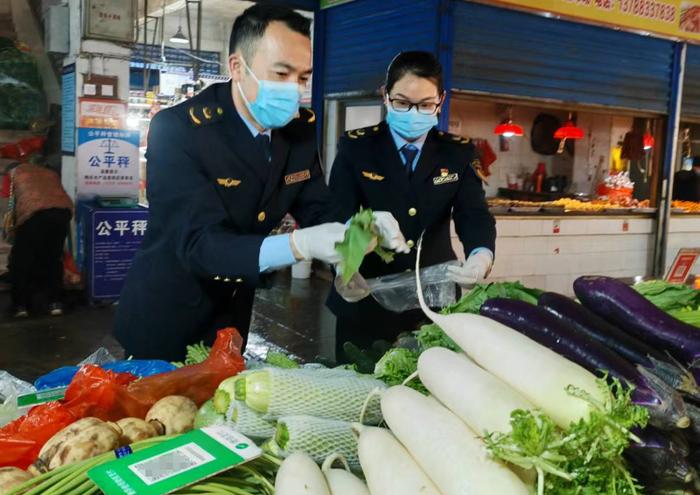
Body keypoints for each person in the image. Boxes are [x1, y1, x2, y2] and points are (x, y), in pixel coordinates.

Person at [114, 5, 407, 361]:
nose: (295, 90)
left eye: (303, 77)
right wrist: (297, 245)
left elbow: (317, 205)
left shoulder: (297, 132)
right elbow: (198, 244)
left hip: (233, 316)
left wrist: (356, 229)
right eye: (281, 73)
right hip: (166, 313)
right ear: (237, 67)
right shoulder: (180, 130)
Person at [327, 51, 497, 361]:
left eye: (425, 104)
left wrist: (480, 256)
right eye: (402, 102)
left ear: (441, 100)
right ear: (385, 95)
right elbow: (337, 215)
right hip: (365, 297)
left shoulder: (456, 153)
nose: (413, 113)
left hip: (432, 304)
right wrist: (343, 265)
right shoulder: (357, 147)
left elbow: (473, 215)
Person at [4, 161, 73, 317]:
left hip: (34, 214)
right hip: (62, 212)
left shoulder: (13, 174)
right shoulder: (46, 172)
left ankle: (20, 306)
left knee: (21, 260)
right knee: (52, 258)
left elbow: (8, 203)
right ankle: (55, 303)